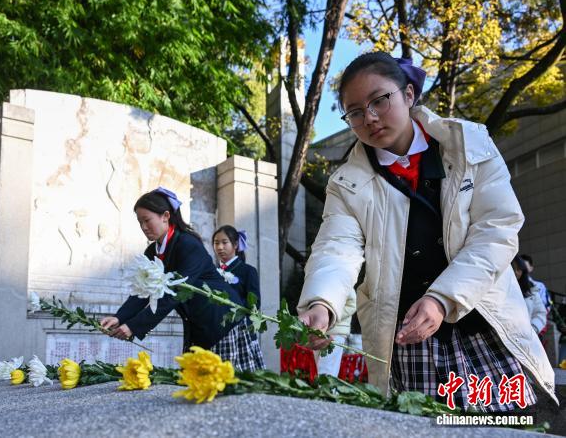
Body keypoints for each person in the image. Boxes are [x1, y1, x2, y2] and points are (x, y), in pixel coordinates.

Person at [296, 51, 556, 411]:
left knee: (501, 425)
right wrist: (322, 303)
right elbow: (336, 249)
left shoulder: (469, 146)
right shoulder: (347, 183)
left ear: (408, 94)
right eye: (355, 112)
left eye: (379, 100)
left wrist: (441, 298)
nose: (369, 117)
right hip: (409, 339)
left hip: (483, 322)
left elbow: (497, 230)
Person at [100, 188, 264, 371]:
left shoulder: (188, 244)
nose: (144, 227)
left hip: (222, 324)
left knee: (230, 382)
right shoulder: (152, 252)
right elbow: (143, 291)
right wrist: (119, 317)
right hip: (197, 327)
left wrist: (134, 326)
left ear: (165, 216)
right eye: (140, 222)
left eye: (147, 220)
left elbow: (175, 293)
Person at [211, 225, 266, 369]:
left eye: (224, 242)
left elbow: (255, 303)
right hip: (216, 334)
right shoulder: (212, 272)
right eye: (216, 243)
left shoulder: (248, 271)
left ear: (235, 245)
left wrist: (232, 310)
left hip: (240, 334)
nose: (220, 247)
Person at [513, 256, 548, 335]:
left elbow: (540, 312)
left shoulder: (533, 288)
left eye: (519, 269)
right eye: (513, 268)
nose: (516, 272)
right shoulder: (500, 288)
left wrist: (533, 329)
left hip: (528, 336)